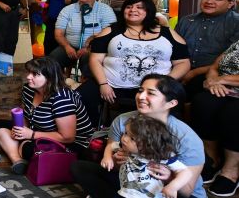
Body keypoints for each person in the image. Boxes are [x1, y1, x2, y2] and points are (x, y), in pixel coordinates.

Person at [71, 74, 206, 198]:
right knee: (80, 168)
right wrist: (116, 161)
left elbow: (187, 191)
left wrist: (168, 177)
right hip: (135, 181)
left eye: (151, 93)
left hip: (172, 192)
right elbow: (114, 159)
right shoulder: (122, 121)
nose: (141, 97)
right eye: (140, 91)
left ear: (171, 103)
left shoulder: (186, 137)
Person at [76, 0, 190, 125]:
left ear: (149, 11)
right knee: (81, 96)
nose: (133, 10)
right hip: (111, 86)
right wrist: (103, 84)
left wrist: (165, 82)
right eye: (129, 7)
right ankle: (89, 133)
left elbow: (183, 62)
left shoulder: (167, 33)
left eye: (139, 7)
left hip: (157, 88)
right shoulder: (110, 31)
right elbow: (95, 59)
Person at [0, 57, 94, 175]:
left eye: (35, 74)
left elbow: (68, 137)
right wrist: (21, 129)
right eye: (29, 72)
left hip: (71, 144)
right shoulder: (29, 90)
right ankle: (17, 160)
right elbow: (26, 115)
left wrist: (31, 135)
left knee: (28, 148)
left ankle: (21, 151)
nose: (28, 77)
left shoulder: (61, 98)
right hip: (40, 130)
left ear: (49, 78)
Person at [101, 115, 193, 198]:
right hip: (124, 194)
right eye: (125, 133)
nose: (124, 139)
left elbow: (186, 172)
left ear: (148, 143)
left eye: (132, 138)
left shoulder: (161, 157)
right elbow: (111, 145)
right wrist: (107, 157)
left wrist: (172, 187)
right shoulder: (125, 148)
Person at [175, 0, 239, 102]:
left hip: (215, 74)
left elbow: (229, 59)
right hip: (180, 68)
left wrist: (193, 73)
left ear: (230, 3)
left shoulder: (236, 24)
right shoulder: (187, 20)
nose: (209, 2)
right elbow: (174, 50)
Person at [191, 40, 239, 196]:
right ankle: (212, 160)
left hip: (229, 86)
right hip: (224, 87)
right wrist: (212, 80)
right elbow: (215, 67)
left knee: (232, 113)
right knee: (203, 103)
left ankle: (231, 170)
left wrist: (222, 80)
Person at [49, 0, 116, 77]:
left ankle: (85, 87)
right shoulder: (67, 10)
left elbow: (110, 34)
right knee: (52, 60)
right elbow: (58, 34)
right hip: (69, 47)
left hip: (93, 48)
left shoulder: (105, 10)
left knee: (88, 62)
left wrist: (88, 48)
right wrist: (67, 46)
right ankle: (59, 86)